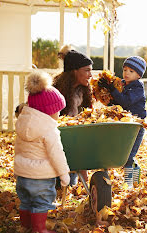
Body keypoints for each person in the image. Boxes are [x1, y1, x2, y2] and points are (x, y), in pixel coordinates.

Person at [14, 71, 70, 233]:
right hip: (41, 177)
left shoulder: (22, 123)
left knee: (25, 202)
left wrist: (17, 170)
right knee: (40, 202)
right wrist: (64, 174)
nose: (59, 115)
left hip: (23, 174)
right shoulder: (49, 129)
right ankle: (39, 229)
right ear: (49, 111)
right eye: (58, 111)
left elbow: (19, 149)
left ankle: (25, 227)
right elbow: (56, 154)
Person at [98, 56, 147, 189]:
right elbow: (118, 104)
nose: (126, 73)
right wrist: (108, 92)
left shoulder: (137, 87)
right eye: (125, 69)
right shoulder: (123, 85)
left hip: (136, 126)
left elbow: (126, 101)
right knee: (126, 152)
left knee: (129, 155)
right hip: (126, 125)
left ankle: (128, 183)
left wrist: (113, 90)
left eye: (131, 71)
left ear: (138, 75)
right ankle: (135, 175)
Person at [53, 45, 93, 185]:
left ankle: (78, 176)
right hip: (58, 140)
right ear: (74, 71)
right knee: (63, 182)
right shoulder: (57, 91)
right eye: (87, 70)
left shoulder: (84, 90)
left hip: (77, 138)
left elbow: (87, 114)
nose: (90, 75)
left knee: (71, 182)